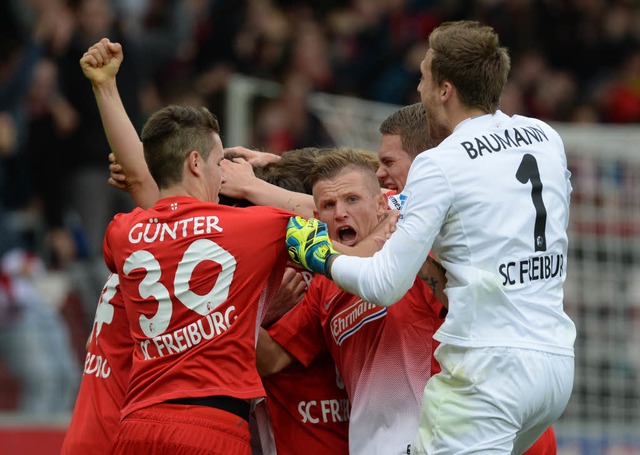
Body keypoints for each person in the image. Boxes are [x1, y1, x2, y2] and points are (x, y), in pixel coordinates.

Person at [286, 20, 576, 454]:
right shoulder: (545, 137)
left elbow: (385, 284)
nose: (418, 89)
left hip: (488, 369)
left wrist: (320, 255)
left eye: (422, 77)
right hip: (554, 365)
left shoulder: (440, 163)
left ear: (445, 89)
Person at [97, 82, 294, 455]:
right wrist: (260, 183)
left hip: (136, 427)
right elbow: (327, 214)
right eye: (220, 162)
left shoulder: (121, 231)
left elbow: (149, 196)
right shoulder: (254, 228)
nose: (225, 174)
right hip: (212, 428)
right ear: (195, 162)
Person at [257, 148, 446, 455]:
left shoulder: (415, 257)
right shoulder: (324, 287)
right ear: (317, 219)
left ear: (382, 203)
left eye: (352, 200)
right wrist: (258, 307)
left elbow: (469, 309)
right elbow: (270, 359)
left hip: (432, 442)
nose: (340, 212)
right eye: (329, 205)